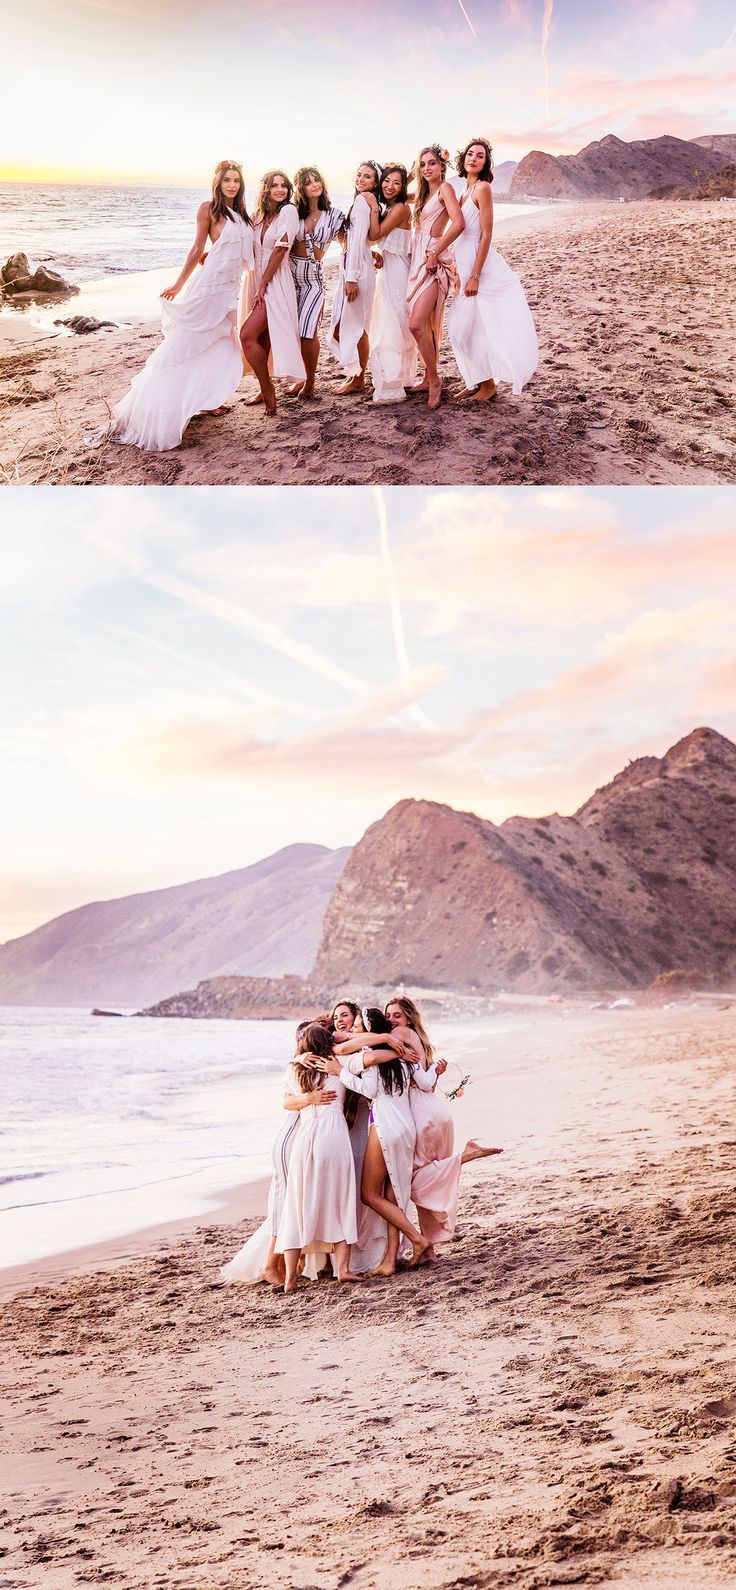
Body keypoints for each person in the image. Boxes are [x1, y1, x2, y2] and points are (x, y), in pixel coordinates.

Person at [105, 161, 254, 451]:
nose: (232, 185)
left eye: (236, 180)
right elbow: (197, 248)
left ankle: (206, 400)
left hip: (230, 288)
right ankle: (155, 407)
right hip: (208, 289)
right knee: (186, 346)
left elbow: (234, 248)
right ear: (218, 183)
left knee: (222, 345)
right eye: (227, 180)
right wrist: (178, 285)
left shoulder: (241, 215)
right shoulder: (208, 209)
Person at [448, 136, 539, 401]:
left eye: (480, 155)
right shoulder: (464, 191)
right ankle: (476, 380)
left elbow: (486, 235)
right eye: (470, 154)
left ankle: (488, 385)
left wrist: (475, 275)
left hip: (481, 267)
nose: (474, 158)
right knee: (465, 328)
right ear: (462, 159)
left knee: (461, 328)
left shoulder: (482, 189)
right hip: (463, 265)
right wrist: (456, 267)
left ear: (486, 162)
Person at [275, 1024, 361, 1293]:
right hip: (334, 1135)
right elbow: (360, 1050)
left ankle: (290, 1278)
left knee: (297, 1203)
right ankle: (343, 1269)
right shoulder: (338, 1062)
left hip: (306, 1136)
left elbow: (286, 1104)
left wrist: (306, 1096)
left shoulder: (295, 1069)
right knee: (340, 1198)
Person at [240, 170, 304, 414]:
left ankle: (268, 390)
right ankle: (263, 386)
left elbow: (280, 249)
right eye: (274, 185)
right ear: (265, 189)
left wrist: (264, 283)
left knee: (247, 335)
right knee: (262, 338)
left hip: (274, 280)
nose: (279, 189)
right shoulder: (258, 216)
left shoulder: (288, 211)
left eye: (284, 186)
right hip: (257, 279)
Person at [406, 144, 464, 410]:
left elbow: (459, 223)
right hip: (416, 259)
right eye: (423, 164)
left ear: (442, 166)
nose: (427, 168)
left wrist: (434, 253)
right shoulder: (420, 194)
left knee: (416, 324)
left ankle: (436, 380)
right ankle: (429, 378)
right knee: (423, 324)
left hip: (434, 261)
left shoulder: (445, 189)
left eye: (432, 163)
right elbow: (392, 196)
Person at [289, 168, 345, 398]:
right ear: (301, 188)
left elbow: (347, 243)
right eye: (307, 182)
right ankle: (299, 378)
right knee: (292, 332)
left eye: (316, 180)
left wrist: (371, 254)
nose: (314, 184)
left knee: (308, 332)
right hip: (288, 277)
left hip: (314, 279)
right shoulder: (292, 213)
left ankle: (310, 383)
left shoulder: (335, 215)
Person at [330, 161, 382, 394]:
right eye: (359, 175)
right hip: (355, 266)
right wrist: (369, 251)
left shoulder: (363, 202)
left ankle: (359, 379)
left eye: (367, 177)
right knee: (350, 324)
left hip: (356, 271)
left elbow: (360, 238)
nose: (361, 179)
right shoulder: (361, 201)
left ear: (375, 182)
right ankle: (357, 375)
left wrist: (351, 278)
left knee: (356, 325)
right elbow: (360, 240)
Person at [369, 163, 418, 404]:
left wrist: (368, 207)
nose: (390, 186)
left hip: (397, 271)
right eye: (386, 181)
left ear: (402, 187)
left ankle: (392, 384)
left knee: (394, 322)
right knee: (390, 320)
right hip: (388, 268)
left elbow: (374, 235)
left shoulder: (399, 208)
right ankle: (399, 376)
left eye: (396, 183)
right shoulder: (389, 206)